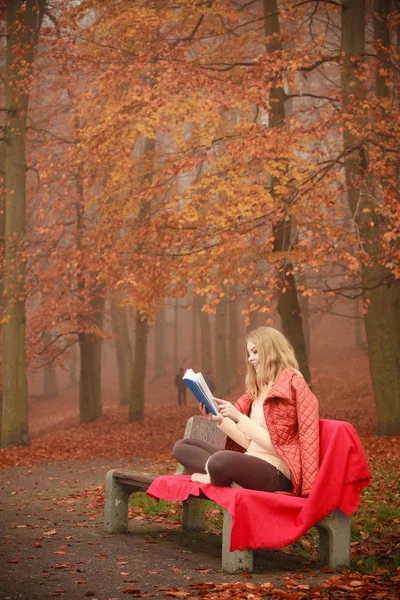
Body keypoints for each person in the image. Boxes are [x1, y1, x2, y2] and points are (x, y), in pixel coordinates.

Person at [173, 326, 320, 497]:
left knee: (220, 461)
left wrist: (239, 417)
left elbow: (278, 448)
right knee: (182, 447)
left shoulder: (293, 385)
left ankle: (214, 476)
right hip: (250, 463)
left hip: (276, 472)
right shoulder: (257, 389)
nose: (250, 358)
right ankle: (222, 476)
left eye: (255, 352)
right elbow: (250, 444)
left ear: (271, 350)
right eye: (249, 353)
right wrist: (221, 420)